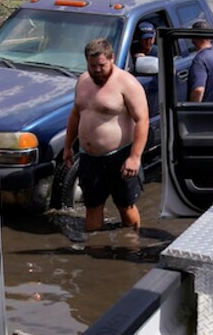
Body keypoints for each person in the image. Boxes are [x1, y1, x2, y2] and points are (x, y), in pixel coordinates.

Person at [64, 38, 149, 232]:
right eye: (92, 66)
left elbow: (142, 120)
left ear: (111, 59)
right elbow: (76, 113)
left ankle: (132, 247)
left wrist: (134, 158)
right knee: (92, 207)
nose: (96, 70)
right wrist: (68, 146)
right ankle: (93, 251)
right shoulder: (83, 81)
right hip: (89, 158)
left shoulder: (127, 83)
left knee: (125, 206)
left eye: (101, 65)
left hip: (119, 156)